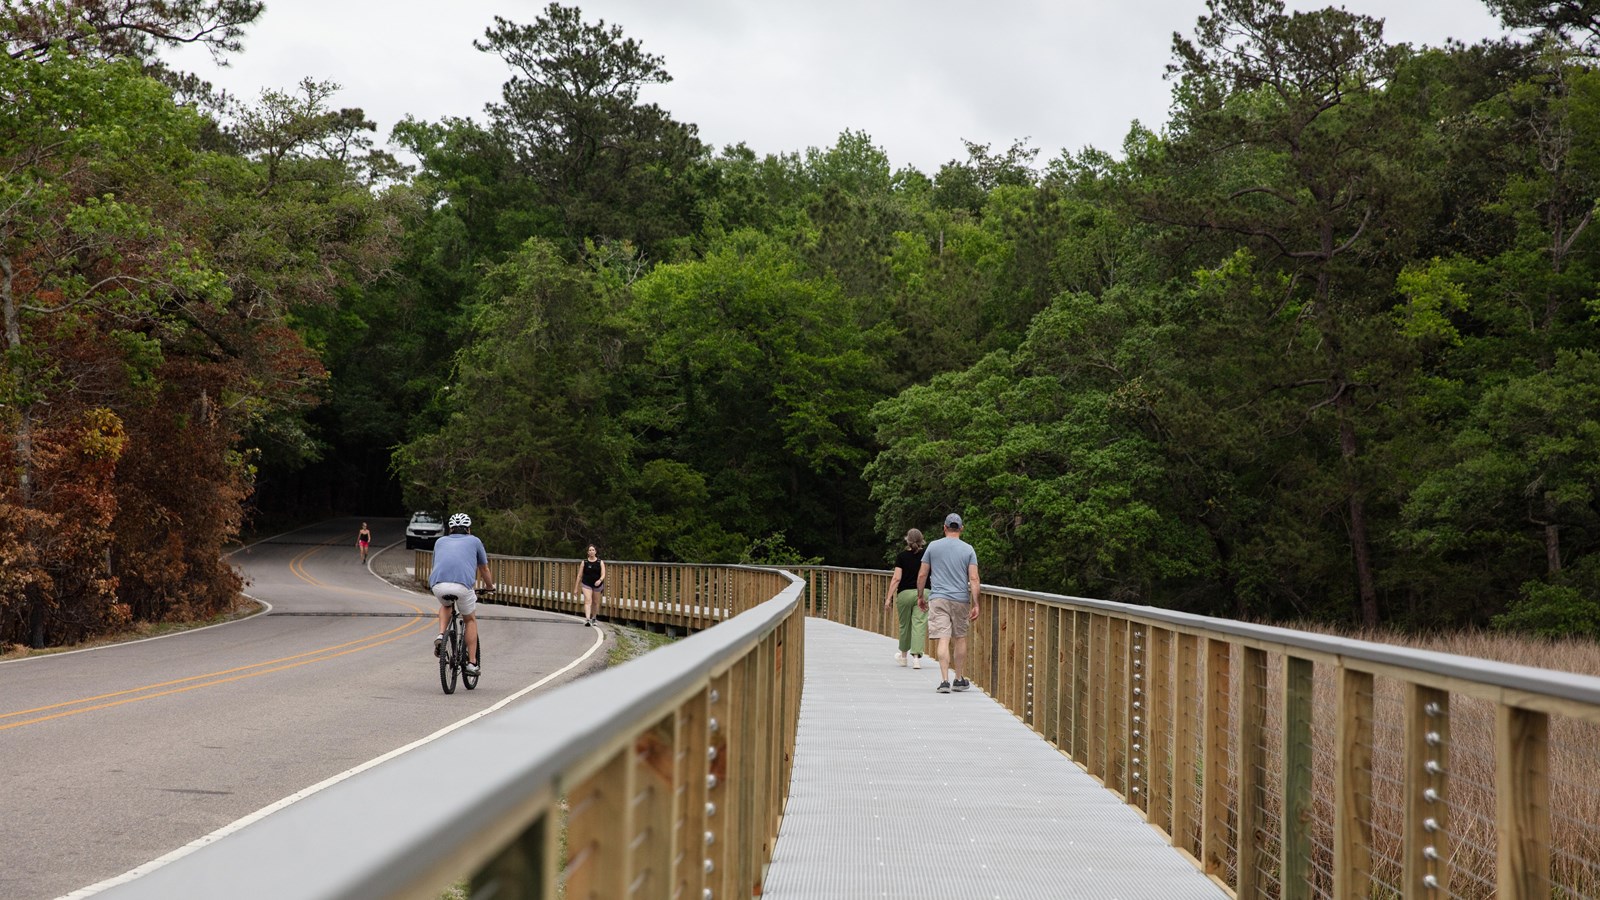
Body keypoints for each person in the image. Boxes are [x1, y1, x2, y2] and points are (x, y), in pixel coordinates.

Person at [917, 512, 980, 694]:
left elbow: (922, 574)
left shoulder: (933, 547)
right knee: (959, 637)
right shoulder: (968, 549)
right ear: (961, 529)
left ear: (944, 528)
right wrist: (977, 604)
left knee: (943, 639)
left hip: (938, 598)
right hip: (960, 598)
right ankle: (958, 679)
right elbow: (974, 578)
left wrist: (920, 596)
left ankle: (944, 681)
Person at [428, 513, 493, 676]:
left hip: (438, 584)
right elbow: (484, 568)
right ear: (468, 529)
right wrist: (490, 586)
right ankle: (472, 663)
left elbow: (437, 563)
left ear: (450, 528)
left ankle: (441, 634)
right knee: (469, 619)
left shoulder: (440, 541)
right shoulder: (474, 541)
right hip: (462, 586)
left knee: (445, 604)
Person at [882, 528, 928, 669]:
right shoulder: (927, 555)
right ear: (921, 540)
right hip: (924, 592)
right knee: (919, 624)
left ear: (907, 540)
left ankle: (903, 657)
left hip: (905, 593)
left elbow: (896, 578)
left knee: (904, 625)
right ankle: (916, 659)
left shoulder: (901, 556)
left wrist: (888, 598)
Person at [575, 544, 605, 626]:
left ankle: (594, 618)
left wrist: (600, 580)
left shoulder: (600, 562)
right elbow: (579, 575)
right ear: (588, 552)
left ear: (595, 552)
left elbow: (603, 574)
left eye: (593, 550)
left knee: (595, 602)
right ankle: (587, 619)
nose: (591, 551)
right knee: (588, 600)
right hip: (586, 583)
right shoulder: (584, 562)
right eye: (590, 550)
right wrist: (576, 588)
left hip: (597, 584)